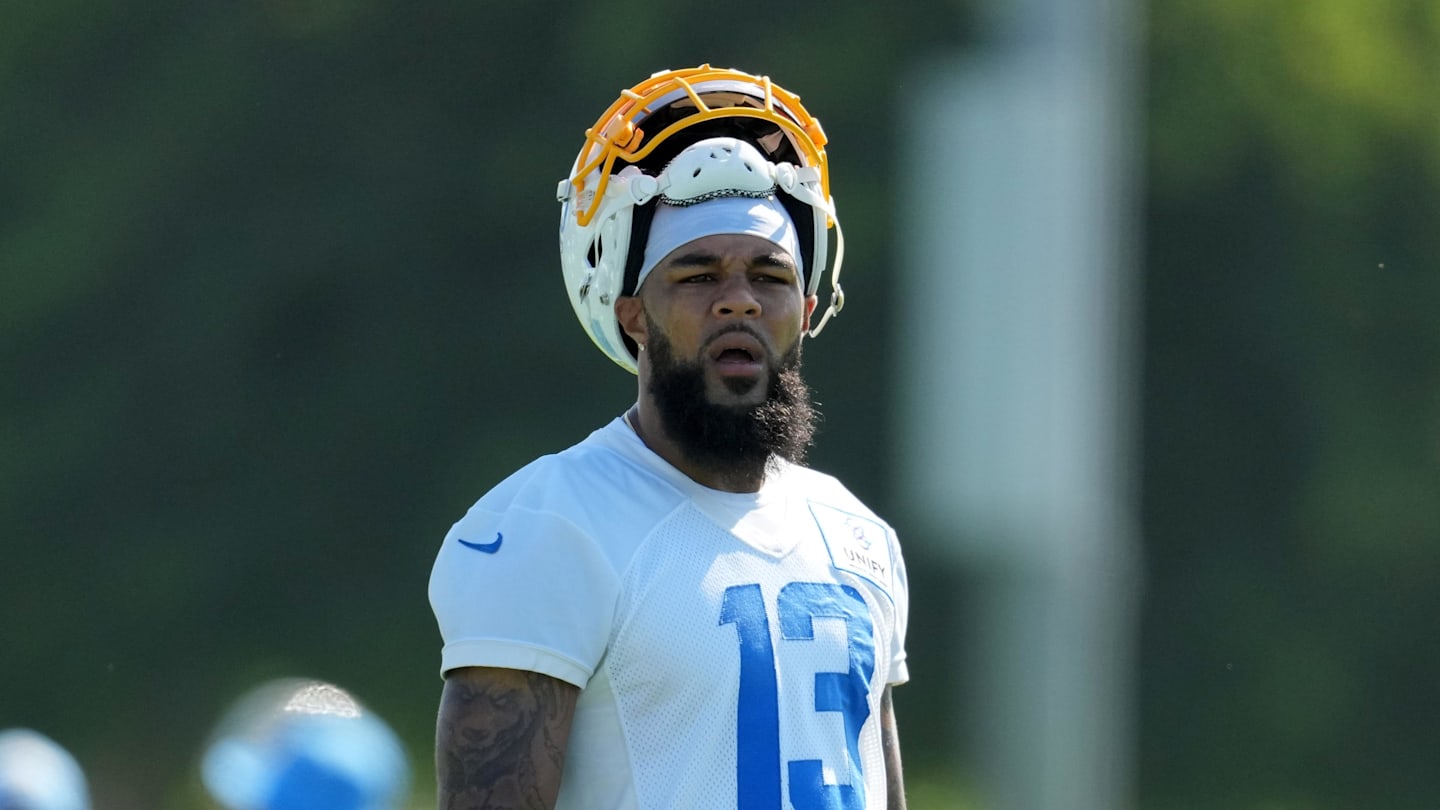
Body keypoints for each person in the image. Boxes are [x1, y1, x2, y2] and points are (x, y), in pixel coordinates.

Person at [429, 65, 910, 809]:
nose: (739, 301)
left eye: (769, 275)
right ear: (632, 313)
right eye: (697, 275)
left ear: (808, 306)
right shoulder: (549, 526)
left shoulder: (857, 536)